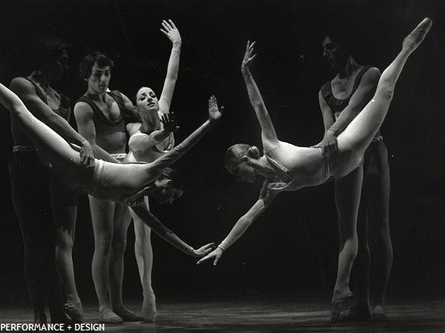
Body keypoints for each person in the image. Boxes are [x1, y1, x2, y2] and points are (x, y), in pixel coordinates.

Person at [197, 18, 432, 323]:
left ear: (248, 156)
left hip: (345, 147)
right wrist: (223, 248)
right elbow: (247, 218)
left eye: (234, 169)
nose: (235, 176)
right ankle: (342, 288)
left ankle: (406, 49)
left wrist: (245, 72)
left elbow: (258, 106)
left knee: (384, 93)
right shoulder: (269, 188)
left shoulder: (269, 146)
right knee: (348, 233)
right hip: (341, 170)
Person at [0, 41, 220, 285]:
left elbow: (162, 230)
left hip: (77, 177)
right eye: (174, 194)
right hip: (79, 165)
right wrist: (209, 123)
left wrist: (190, 250)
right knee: (24, 113)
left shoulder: (137, 199)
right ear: (167, 179)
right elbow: (182, 148)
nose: (172, 201)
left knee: (30, 120)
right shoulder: (149, 171)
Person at [7, 36, 92, 324]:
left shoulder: (63, 99)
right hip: (28, 167)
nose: (67, 66)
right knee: (35, 241)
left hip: (54, 171)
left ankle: (57, 310)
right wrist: (82, 141)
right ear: (46, 59)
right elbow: (44, 117)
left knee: (55, 240)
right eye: (62, 60)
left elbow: (61, 136)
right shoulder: (21, 85)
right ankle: (39, 313)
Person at [315, 27, 391, 322]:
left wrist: (333, 132)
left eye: (330, 47)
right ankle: (360, 303)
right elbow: (327, 132)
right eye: (324, 48)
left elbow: (353, 108)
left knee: (378, 228)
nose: (325, 53)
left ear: (345, 46)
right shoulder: (324, 91)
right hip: (347, 160)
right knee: (352, 231)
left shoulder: (370, 74)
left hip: (372, 153)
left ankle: (379, 300)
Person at [73, 49, 142, 323]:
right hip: (102, 172)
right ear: (87, 76)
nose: (103, 79)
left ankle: (119, 304)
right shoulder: (83, 107)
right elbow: (91, 147)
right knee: (103, 240)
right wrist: (120, 170)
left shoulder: (118, 97)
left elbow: (141, 119)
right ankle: (104, 307)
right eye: (97, 74)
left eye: (106, 74)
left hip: (125, 168)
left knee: (120, 242)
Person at [122, 19, 182, 322]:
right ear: (137, 106)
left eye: (151, 93)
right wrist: (164, 134)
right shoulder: (136, 134)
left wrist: (176, 44)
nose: (151, 96)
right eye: (143, 96)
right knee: (141, 232)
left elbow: (171, 78)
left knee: (148, 232)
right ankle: (147, 290)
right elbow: (147, 142)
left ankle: (148, 288)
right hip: (134, 173)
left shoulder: (162, 111)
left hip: (157, 172)